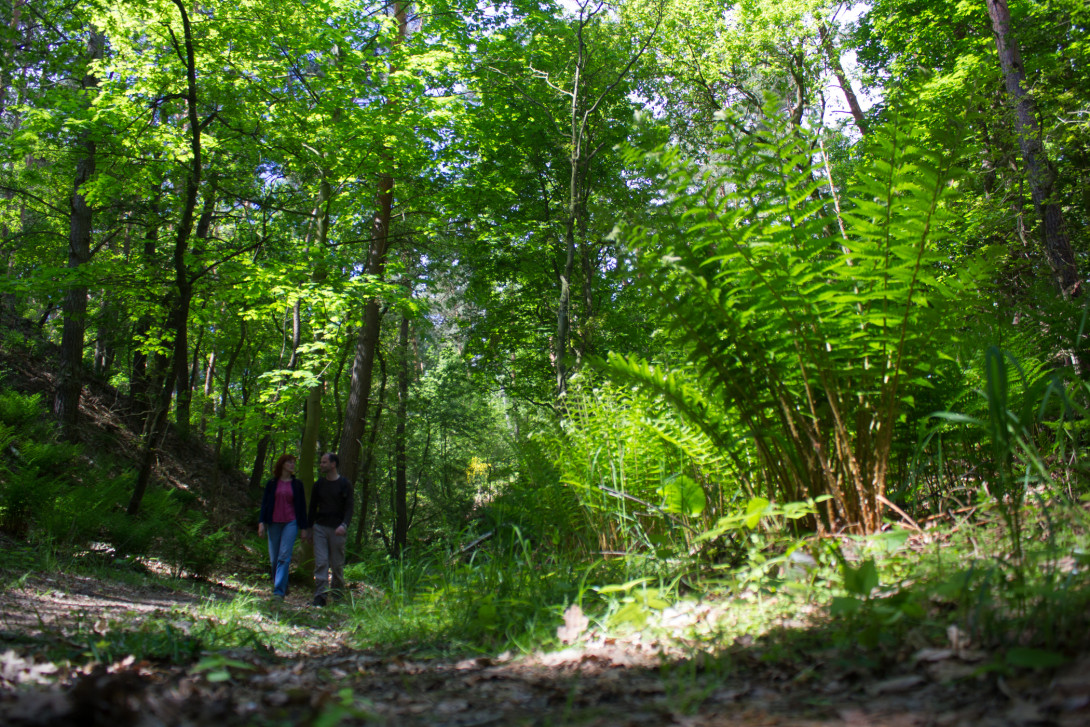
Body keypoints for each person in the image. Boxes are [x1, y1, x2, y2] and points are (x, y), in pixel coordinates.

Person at [258, 454, 309, 599]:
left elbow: (301, 507)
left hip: (290, 523)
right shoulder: (272, 483)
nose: (292, 465)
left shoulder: (297, 485)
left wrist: (303, 528)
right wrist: (261, 522)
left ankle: (278, 592)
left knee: (284, 557)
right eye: (289, 462)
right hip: (273, 523)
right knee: (274, 559)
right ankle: (283, 585)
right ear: (282, 464)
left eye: (294, 463)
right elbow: (265, 504)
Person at [305, 452, 353, 607]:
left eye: (324, 462)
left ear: (333, 464)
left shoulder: (345, 484)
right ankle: (320, 597)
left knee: (337, 564)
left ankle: (338, 596)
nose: (321, 465)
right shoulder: (318, 484)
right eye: (321, 462)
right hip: (320, 527)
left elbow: (349, 508)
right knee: (321, 562)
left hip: (338, 529)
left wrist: (344, 525)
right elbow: (312, 508)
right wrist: (308, 529)